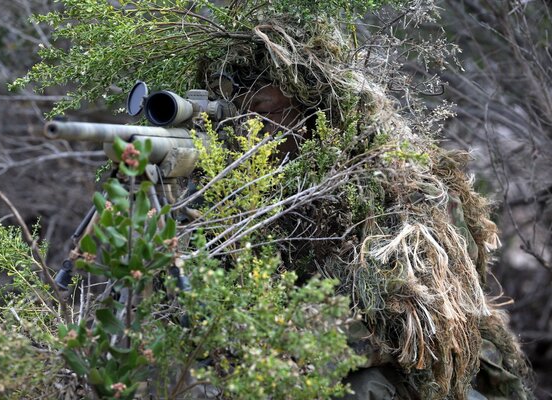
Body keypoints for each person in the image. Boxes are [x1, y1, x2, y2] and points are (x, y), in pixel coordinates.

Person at [201, 57, 534, 399]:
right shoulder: (241, 195)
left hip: (416, 374)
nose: (250, 127)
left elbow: (423, 325)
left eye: (263, 111)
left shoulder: (403, 189)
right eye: (239, 113)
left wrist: (303, 349)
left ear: (311, 110)